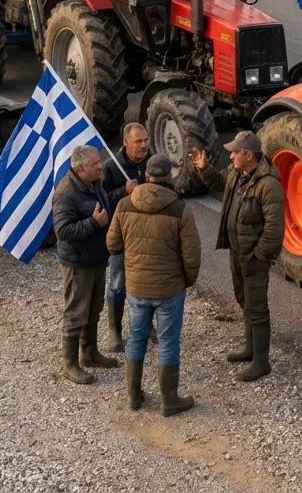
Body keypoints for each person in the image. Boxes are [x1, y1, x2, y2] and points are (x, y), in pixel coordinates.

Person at [107, 153, 201, 416]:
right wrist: (186, 281)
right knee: (169, 340)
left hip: (137, 287)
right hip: (169, 289)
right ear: (168, 177)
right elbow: (192, 257)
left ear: (146, 176)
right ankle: (169, 401)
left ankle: (134, 397)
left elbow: (112, 245)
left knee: (136, 337)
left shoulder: (125, 205)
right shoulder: (181, 209)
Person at [190, 130, 284, 381]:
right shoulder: (237, 173)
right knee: (244, 299)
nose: (230, 156)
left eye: (235, 152)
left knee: (257, 306)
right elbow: (219, 183)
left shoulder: (268, 185)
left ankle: (261, 362)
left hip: (253, 257)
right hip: (237, 251)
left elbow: (275, 229)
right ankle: (249, 348)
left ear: (248, 155)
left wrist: (259, 255)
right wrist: (204, 168)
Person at [52, 145, 119, 385]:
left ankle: (90, 353)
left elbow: (105, 205)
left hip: (97, 258)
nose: (101, 166)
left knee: (93, 308)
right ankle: (70, 364)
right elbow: (62, 231)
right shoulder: (66, 193)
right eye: (95, 164)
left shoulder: (94, 184)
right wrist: (93, 223)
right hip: (78, 263)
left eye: (99, 162)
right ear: (80, 169)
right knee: (76, 312)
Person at [102, 122, 151, 352]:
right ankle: (115, 331)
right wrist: (124, 192)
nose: (143, 146)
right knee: (118, 283)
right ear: (125, 142)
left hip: (148, 235)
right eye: (138, 142)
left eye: (146, 140)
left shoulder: (153, 163)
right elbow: (102, 201)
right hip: (122, 234)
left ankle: (146, 326)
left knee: (146, 282)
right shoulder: (112, 168)